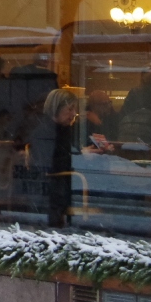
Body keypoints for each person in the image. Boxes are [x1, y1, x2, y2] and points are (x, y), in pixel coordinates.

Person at [29, 88, 106, 228]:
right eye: (70, 109)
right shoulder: (45, 132)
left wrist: (82, 152)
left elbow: (64, 154)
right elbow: (49, 163)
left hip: (65, 187)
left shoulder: (64, 129)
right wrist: (80, 155)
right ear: (56, 108)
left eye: (75, 109)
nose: (74, 113)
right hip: (53, 192)